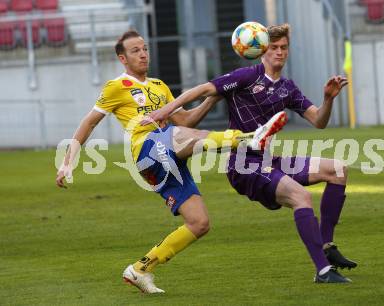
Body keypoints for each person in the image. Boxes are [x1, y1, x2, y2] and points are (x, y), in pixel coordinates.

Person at [55, 30, 287, 293]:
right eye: (135, 51)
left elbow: (186, 122)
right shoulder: (116, 86)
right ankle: (246, 139)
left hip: (169, 158)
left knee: (199, 223)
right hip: (146, 149)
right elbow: (89, 122)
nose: (143, 54)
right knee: (177, 136)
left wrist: (214, 97)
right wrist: (67, 162)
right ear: (122, 58)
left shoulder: (159, 86)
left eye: (145, 48)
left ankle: (140, 269)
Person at [147, 24, 357, 283]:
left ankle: (327, 247)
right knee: (301, 196)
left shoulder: (288, 88)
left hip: (269, 161)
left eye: (284, 48)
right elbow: (202, 89)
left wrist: (328, 99)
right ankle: (323, 272)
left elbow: (319, 121)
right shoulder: (246, 77)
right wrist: (165, 111)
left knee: (337, 169)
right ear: (261, 51)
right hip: (243, 165)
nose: (279, 52)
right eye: (274, 48)